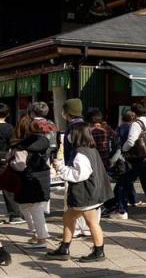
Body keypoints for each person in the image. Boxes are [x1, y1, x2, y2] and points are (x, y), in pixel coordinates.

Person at [46, 124, 112, 262]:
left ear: (76, 135)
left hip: (85, 194)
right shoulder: (90, 149)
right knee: (71, 218)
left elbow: (80, 175)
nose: (68, 136)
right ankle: (66, 248)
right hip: (93, 193)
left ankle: (96, 251)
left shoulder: (80, 153)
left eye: (70, 134)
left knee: (89, 222)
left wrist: (61, 168)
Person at [8, 116, 52, 245]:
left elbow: (20, 165)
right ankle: (37, 235)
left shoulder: (21, 146)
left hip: (27, 179)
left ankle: (41, 238)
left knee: (30, 208)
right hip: (42, 176)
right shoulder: (44, 141)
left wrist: (11, 163)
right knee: (31, 207)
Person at [0, 102, 21, 224]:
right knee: (8, 187)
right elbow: (13, 144)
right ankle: (14, 215)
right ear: (7, 114)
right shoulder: (9, 128)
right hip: (5, 159)